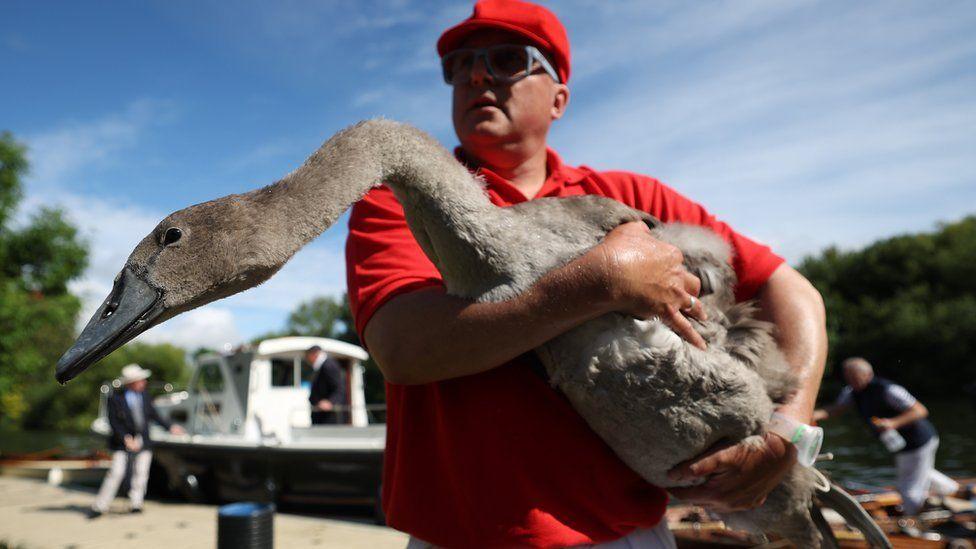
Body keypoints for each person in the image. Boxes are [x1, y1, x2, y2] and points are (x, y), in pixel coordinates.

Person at [344, 1, 827, 546]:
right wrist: (600, 284)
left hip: (628, 536)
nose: (476, 74)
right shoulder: (402, 201)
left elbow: (792, 289)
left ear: (559, 98)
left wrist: (793, 429)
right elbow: (404, 349)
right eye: (459, 65)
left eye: (507, 59)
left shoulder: (631, 196)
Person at [814, 357, 959, 515]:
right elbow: (836, 409)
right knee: (918, 472)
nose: (852, 381)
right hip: (901, 445)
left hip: (919, 441)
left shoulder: (888, 390)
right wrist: (813, 415)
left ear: (868, 374)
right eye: (848, 378)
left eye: (855, 377)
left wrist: (893, 423)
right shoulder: (851, 392)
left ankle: (914, 522)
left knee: (908, 488)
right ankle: (953, 491)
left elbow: (920, 410)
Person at [89, 364, 184, 518]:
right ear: (131, 382)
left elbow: (154, 415)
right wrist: (126, 438)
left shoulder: (145, 396)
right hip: (122, 441)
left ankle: (136, 504)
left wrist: (170, 427)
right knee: (116, 472)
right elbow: (114, 422)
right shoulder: (115, 398)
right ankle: (100, 506)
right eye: (141, 380)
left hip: (143, 439)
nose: (144, 382)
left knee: (141, 472)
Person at [306, 345, 349, 425]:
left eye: (308, 356)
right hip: (321, 415)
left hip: (328, 417)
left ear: (313, 354)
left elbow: (339, 388)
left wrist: (330, 402)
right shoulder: (321, 366)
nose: (308, 360)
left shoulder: (328, 365)